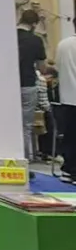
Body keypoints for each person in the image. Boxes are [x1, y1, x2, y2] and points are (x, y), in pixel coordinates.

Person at [17, 8, 48, 164]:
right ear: (34, 24)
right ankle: (25, 159)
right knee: (26, 125)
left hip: (7, 85)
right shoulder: (35, 40)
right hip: (27, 84)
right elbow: (42, 68)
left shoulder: (8, 36)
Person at [53, 30, 76, 180]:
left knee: (70, 135)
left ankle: (68, 170)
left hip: (67, 97)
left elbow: (57, 68)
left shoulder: (63, 44)